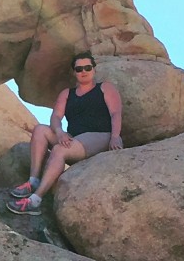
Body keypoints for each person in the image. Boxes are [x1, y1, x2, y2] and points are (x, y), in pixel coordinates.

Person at [7, 52, 123, 215]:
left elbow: (115, 113)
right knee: (40, 129)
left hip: (99, 135)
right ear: (74, 72)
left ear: (94, 69)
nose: (84, 71)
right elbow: (56, 116)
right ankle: (33, 181)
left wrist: (116, 136)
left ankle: (35, 200)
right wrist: (60, 132)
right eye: (79, 68)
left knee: (59, 150)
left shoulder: (104, 88)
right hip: (75, 138)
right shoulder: (67, 94)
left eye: (87, 68)